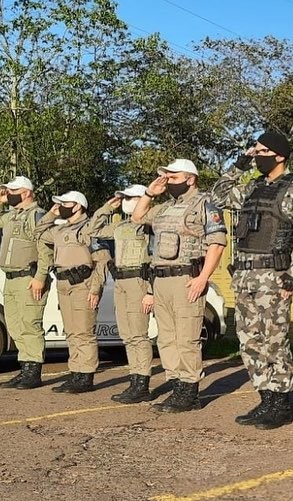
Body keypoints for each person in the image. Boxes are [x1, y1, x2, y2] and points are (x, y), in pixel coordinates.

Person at [210, 131, 293, 429]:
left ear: (280, 156)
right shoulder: (251, 187)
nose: (256, 154)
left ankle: (281, 402)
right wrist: (240, 163)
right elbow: (217, 196)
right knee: (249, 342)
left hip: (274, 278)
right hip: (245, 277)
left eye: (261, 151)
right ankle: (265, 398)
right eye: (255, 151)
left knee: (274, 341)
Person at [131, 159, 227, 413]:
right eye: (167, 177)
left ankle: (190, 390)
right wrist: (150, 193)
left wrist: (203, 278)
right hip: (161, 279)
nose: (169, 181)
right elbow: (137, 216)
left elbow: (217, 243)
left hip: (187, 279)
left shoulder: (204, 203)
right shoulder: (163, 208)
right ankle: (176, 384)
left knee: (187, 338)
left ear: (191, 178)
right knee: (167, 338)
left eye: (173, 177)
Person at [34, 191, 109, 394]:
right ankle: (76, 372)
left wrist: (95, 289)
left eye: (65, 203)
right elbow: (38, 231)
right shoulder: (59, 229)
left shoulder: (90, 228)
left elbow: (102, 261)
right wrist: (52, 212)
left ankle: (85, 375)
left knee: (84, 332)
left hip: (83, 284)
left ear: (77, 206)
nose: (61, 207)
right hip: (63, 284)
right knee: (71, 332)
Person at [87, 184, 155, 404]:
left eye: (129, 197)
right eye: (123, 198)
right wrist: (108, 207)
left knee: (138, 335)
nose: (125, 201)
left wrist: (151, 291)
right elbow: (92, 231)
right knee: (127, 336)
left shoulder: (149, 225)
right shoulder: (122, 226)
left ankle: (142, 383)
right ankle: (134, 380)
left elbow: (155, 256)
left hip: (139, 281)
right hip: (121, 282)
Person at [0, 176, 54, 390]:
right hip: (11, 279)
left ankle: (33, 372)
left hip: (29, 278)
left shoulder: (37, 216)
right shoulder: (13, 215)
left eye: (13, 190)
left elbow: (46, 251)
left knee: (30, 325)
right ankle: (25, 367)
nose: (9, 194)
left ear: (26, 192)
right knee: (16, 326)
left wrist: (40, 278)